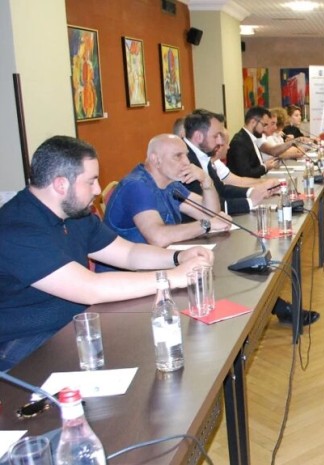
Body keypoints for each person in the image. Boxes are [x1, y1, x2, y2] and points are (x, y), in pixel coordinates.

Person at [0, 136, 213, 370]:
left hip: (75, 325)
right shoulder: (16, 228)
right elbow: (89, 288)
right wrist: (172, 277)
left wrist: (178, 258)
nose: (98, 190)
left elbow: (128, 253)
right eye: (91, 181)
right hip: (24, 345)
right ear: (61, 184)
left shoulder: (75, 214)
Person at [103, 134, 232, 252]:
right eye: (178, 156)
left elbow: (210, 214)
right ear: (155, 159)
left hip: (157, 260)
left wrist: (206, 181)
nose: (187, 162)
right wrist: (206, 225)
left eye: (186, 155)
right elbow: (158, 238)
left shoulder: (170, 184)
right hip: (128, 268)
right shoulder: (137, 186)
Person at [182, 109, 275, 216]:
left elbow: (221, 189)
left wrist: (251, 192)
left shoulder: (203, 154)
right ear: (198, 137)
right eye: (216, 136)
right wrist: (249, 202)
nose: (220, 141)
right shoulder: (184, 161)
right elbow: (206, 206)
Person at [226, 106, 279, 178]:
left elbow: (254, 165)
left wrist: (267, 165)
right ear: (253, 122)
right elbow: (245, 173)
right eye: (264, 125)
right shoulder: (239, 142)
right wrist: (265, 167)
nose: (264, 129)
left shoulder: (250, 138)